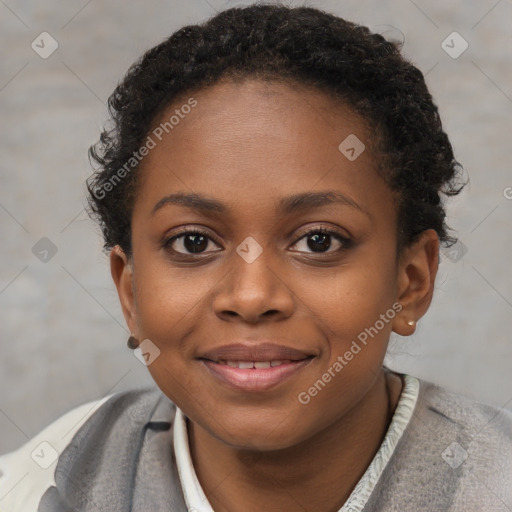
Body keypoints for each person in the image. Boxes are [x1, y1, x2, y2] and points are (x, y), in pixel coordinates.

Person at [1, 3, 510, 511]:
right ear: (129, 290)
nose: (251, 297)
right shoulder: (39, 486)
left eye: (318, 241)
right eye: (193, 242)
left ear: (411, 281)